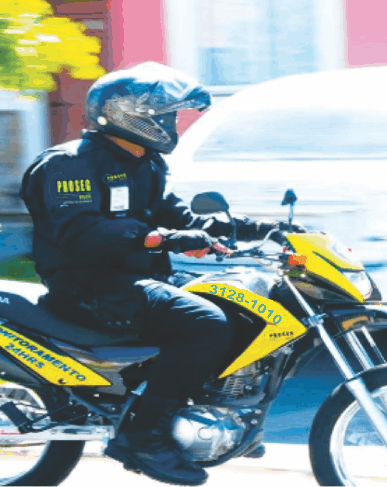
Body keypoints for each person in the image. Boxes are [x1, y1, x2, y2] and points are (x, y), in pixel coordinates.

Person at [20, 62, 302, 485]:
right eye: (167, 116)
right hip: (88, 285)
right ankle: (143, 436)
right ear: (130, 117)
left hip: (136, 278)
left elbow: (180, 217)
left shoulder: (145, 162)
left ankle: (213, 415)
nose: (174, 124)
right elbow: (82, 232)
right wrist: (163, 240)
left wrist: (259, 228)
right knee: (204, 322)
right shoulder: (70, 164)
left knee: (242, 306)